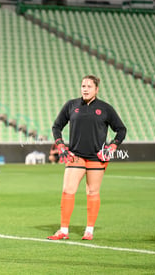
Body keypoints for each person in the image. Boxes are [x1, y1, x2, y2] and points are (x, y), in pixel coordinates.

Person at [48, 75, 126, 241]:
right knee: (68, 190)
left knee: (92, 192)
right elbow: (56, 126)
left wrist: (112, 146)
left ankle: (89, 230)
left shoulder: (105, 108)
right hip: (75, 156)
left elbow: (121, 129)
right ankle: (63, 230)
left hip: (96, 158)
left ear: (96, 89)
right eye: (83, 85)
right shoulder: (71, 105)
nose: (85, 89)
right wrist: (61, 145)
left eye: (89, 86)